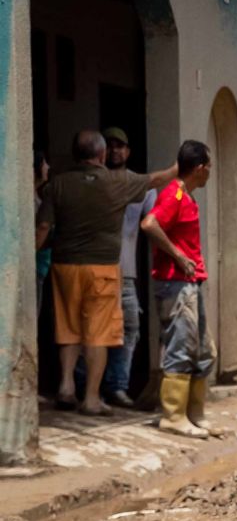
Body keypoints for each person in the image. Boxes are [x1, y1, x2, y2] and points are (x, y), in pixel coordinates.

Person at [37, 129, 176, 415]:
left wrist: (28, 258)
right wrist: (180, 166)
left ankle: (65, 388)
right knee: (97, 335)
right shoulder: (118, 182)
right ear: (101, 155)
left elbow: (42, 228)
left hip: (64, 266)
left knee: (69, 330)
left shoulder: (57, 185)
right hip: (102, 268)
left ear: (76, 154)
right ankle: (90, 398)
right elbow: (156, 179)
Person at [140, 140, 222, 438]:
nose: (210, 172)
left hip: (189, 282)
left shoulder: (185, 196)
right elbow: (149, 224)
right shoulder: (173, 195)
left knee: (203, 350)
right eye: (209, 167)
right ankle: (173, 416)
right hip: (175, 283)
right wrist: (178, 255)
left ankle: (194, 413)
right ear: (200, 168)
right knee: (181, 347)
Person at [101, 127, 154, 411]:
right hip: (96, 268)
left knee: (130, 328)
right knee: (93, 330)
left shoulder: (140, 186)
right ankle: (88, 386)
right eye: (109, 146)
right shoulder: (94, 182)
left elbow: (157, 218)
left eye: (120, 146)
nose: (115, 151)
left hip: (127, 273)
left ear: (128, 151)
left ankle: (117, 386)